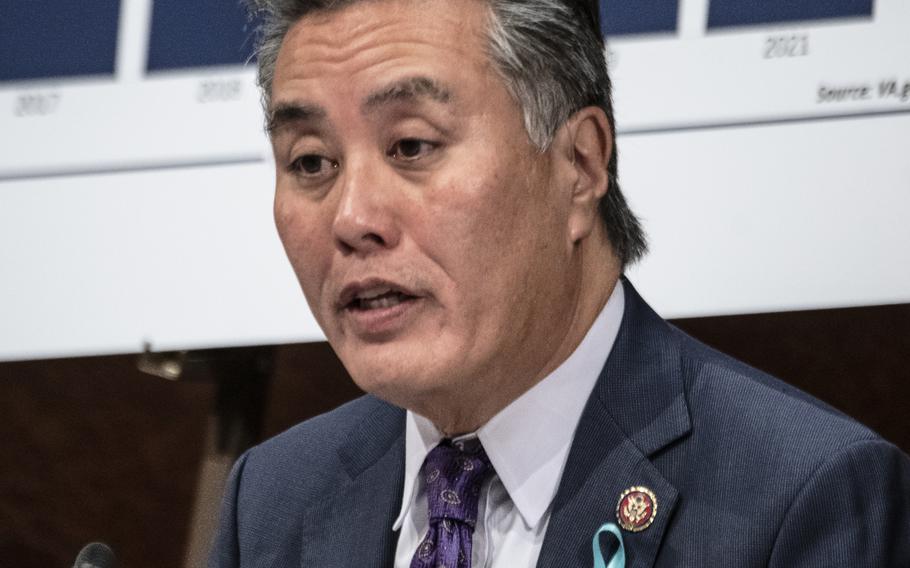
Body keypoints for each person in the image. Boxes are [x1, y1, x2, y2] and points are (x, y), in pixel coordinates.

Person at [210, 0, 910, 566]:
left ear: (579, 165)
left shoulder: (807, 497)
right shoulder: (270, 500)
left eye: (412, 146)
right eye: (310, 163)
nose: (354, 217)